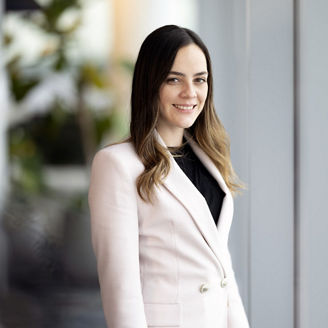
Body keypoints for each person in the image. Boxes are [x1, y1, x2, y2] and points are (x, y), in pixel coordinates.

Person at [88, 25, 250, 328]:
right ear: (151, 84)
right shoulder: (116, 164)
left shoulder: (208, 158)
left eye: (199, 80)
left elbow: (222, 273)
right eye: (174, 79)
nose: (190, 92)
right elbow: (120, 288)